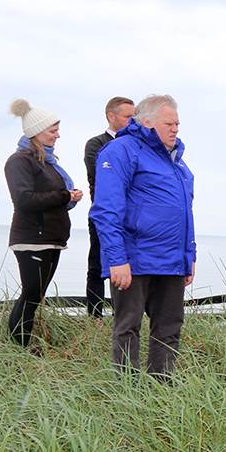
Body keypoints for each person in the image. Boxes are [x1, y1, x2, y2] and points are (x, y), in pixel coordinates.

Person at [90, 94, 195, 377]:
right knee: (128, 328)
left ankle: (161, 389)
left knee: (170, 328)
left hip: (171, 261)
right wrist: (116, 259)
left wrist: (189, 256)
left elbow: (185, 213)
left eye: (177, 123)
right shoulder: (121, 151)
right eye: (168, 123)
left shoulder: (179, 164)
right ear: (146, 122)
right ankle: (128, 393)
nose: (175, 129)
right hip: (133, 259)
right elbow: (106, 210)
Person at [4, 99, 83, 350]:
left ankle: (24, 346)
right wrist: (64, 196)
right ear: (36, 131)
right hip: (32, 239)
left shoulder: (46, 162)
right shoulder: (19, 161)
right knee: (30, 295)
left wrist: (69, 197)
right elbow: (24, 200)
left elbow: (50, 196)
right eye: (53, 130)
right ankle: (21, 348)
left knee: (35, 296)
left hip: (50, 238)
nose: (58, 134)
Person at [83, 96, 134, 318]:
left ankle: (123, 316)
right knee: (96, 267)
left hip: (131, 218)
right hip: (104, 215)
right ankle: (94, 317)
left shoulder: (136, 145)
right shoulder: (96, 144)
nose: (133, 121)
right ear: (111, 116)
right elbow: (103, 178)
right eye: (127, 117)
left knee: (128, 266)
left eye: (135, 117)